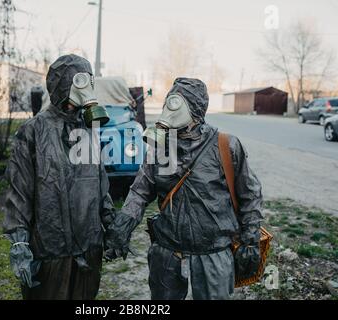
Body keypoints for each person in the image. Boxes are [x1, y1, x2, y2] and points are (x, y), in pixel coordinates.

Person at [104, 78, 263, 300]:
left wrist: (250, 240)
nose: (169, 110)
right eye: (169, 102)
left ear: (195, 110)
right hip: (168, 251)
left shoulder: (227, 146)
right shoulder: (160, 147)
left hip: (213, 252)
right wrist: (123, 225)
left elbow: (250, 194)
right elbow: (141, 190)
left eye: (177, 104)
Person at [3, 54, 115, 300]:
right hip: (50, 253)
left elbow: (100, 187)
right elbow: (18, 193)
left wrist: (112, 227)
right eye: (80, 80)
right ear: (63, 83)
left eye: (89, 80)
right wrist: (19, 243)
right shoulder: (33, 131)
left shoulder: (89, 131)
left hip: (88, 252)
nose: (87, 86)